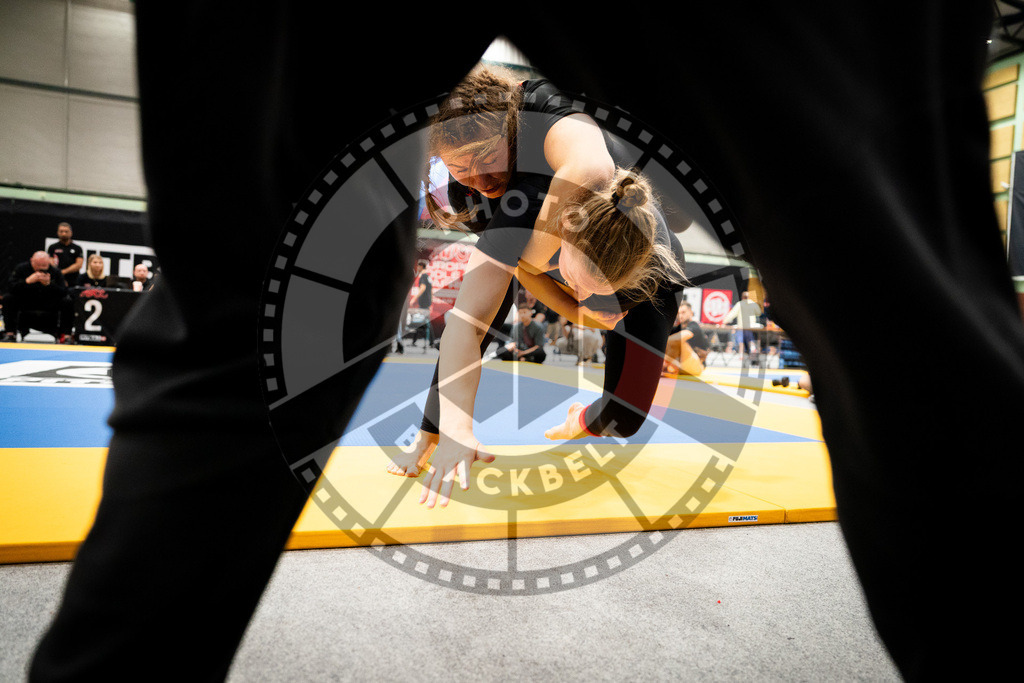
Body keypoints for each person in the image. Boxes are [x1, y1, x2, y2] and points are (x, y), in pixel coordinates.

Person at [29, 5, 1020, 681]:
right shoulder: (534, 183)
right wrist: (456, 419)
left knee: (891, 285)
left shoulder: (561, 184)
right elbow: (474, 312)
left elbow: (538, 253)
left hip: (575, 217)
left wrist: (565, 299)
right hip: (558, 208)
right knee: (254, 318)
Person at [1, 251, 74, 343]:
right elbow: (10, 288)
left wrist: (49, 284)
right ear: (32, 261)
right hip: (27, 303)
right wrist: (27, 281)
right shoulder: (21, 269)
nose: (41, 268)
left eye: (44, 265)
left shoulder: (55, 271)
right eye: (38, 265)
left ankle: (66, 336)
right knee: (8, 298)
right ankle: (10, 333)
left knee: (67, 301)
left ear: (49, 262)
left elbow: (64, 292)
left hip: (49, 305)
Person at [663, 300, 708, 376]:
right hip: (683, 365)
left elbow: (683, 336)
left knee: (677, 340)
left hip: (697, 366)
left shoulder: (694, 325)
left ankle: (663, 366)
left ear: (691, 313)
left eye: (683, 312)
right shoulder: (678, 328)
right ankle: (664, 366)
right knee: (671, 340)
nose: (680, 316)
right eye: (679, 313)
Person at [719, 291, 762, 364]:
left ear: (742, 297)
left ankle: (741, 356)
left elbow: (732, 314)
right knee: (750, 341)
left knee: (741, 342)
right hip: (751, 327)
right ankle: (753, 351)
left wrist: (724, 322)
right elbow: (759, 312)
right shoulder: (753, 304)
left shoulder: (740, 304)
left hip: (742, 326)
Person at [46, 222, 84, 288]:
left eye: (66, 231)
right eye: (61, 231)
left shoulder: (77, 248)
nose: (64, 233)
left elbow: (78, 265)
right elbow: (50, 262)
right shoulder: (52, 247)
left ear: (71, 233)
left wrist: (63, 272)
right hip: (56, 279)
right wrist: (59, 273)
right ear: (57, 232)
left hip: (73, 280)